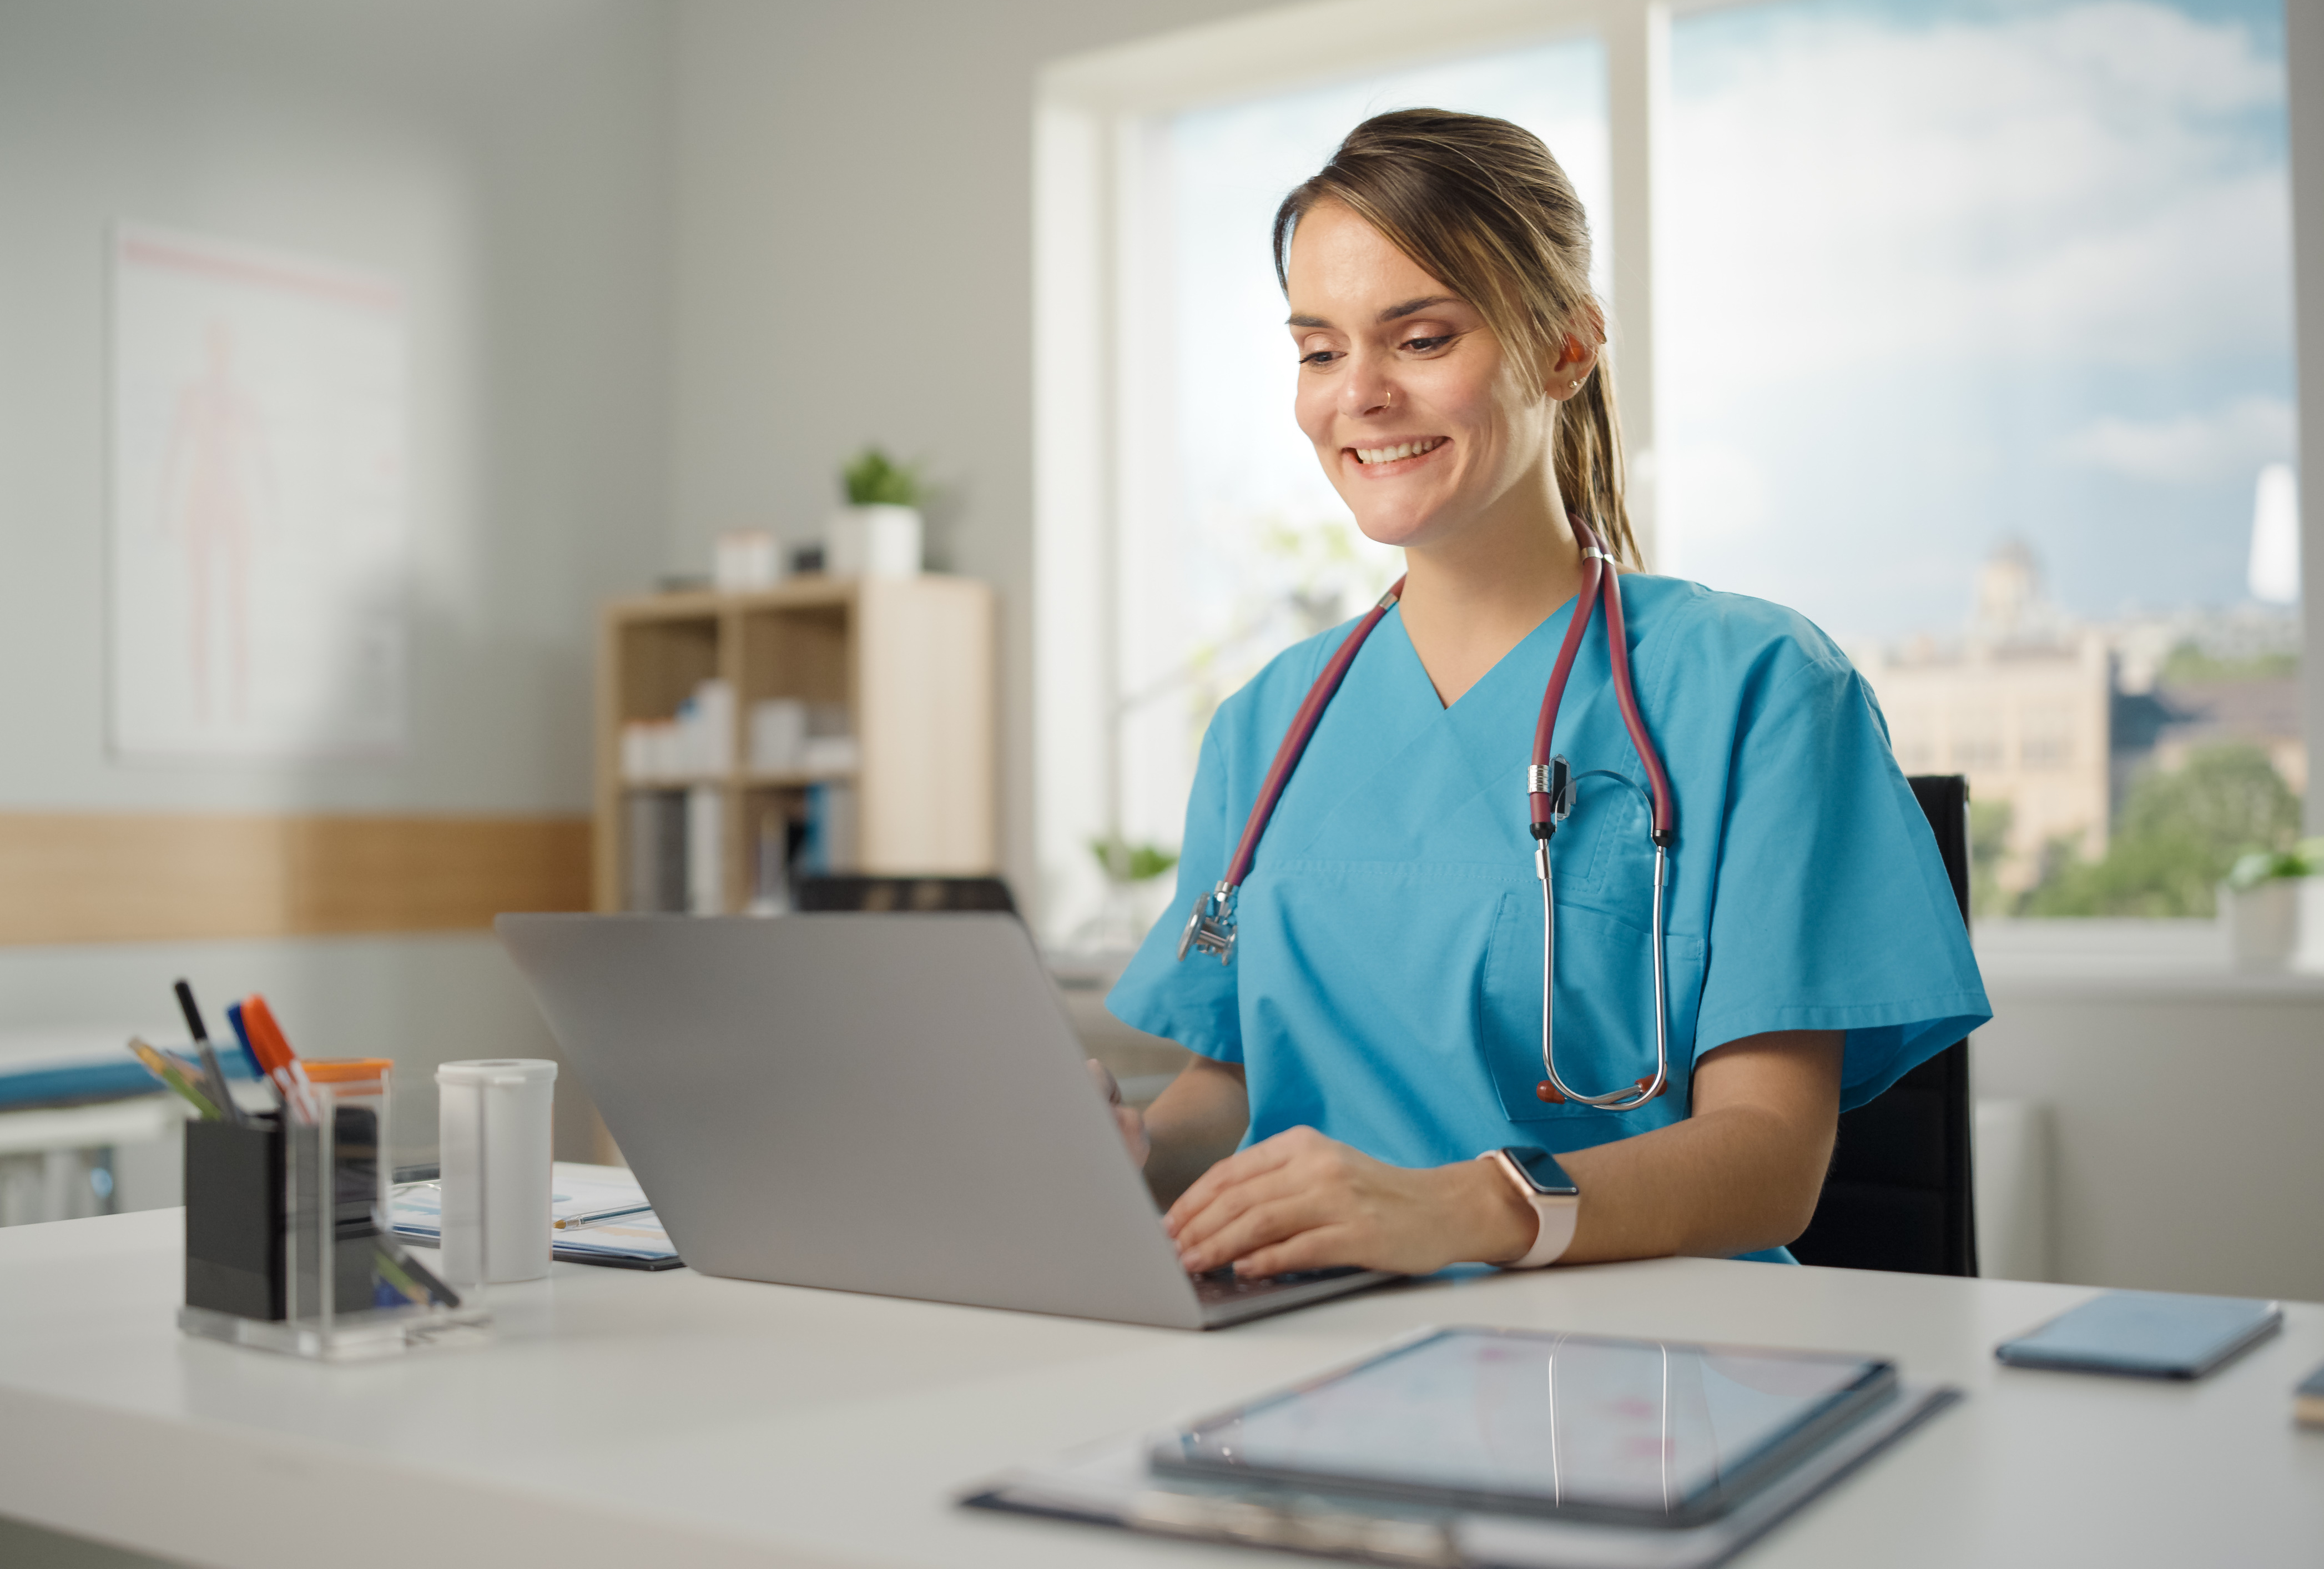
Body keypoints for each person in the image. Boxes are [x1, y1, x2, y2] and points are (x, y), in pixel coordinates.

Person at [1101, 109, 1990, 1280]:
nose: (1355, 394)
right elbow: (1238, 1084)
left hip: (1642, 1387)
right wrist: (1127, 1149)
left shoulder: (1760, 689)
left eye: (1418, 339)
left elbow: (1771, 1161)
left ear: (1567, 350)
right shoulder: (1265, 726)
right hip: (1303, 1346)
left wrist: (1463, 1210)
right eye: (1319, 350)